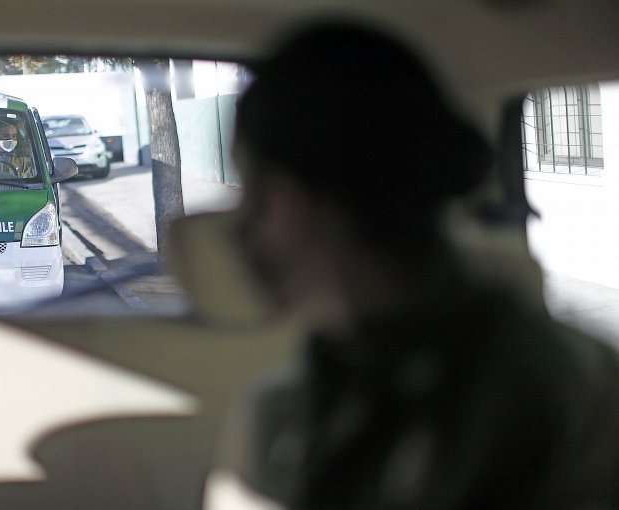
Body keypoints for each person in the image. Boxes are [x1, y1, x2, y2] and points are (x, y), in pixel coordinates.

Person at [213, 22, 619, 510]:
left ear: (289, 202)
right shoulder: (332, 385)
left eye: (244, 188)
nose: (235, 226)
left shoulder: (537, 401)